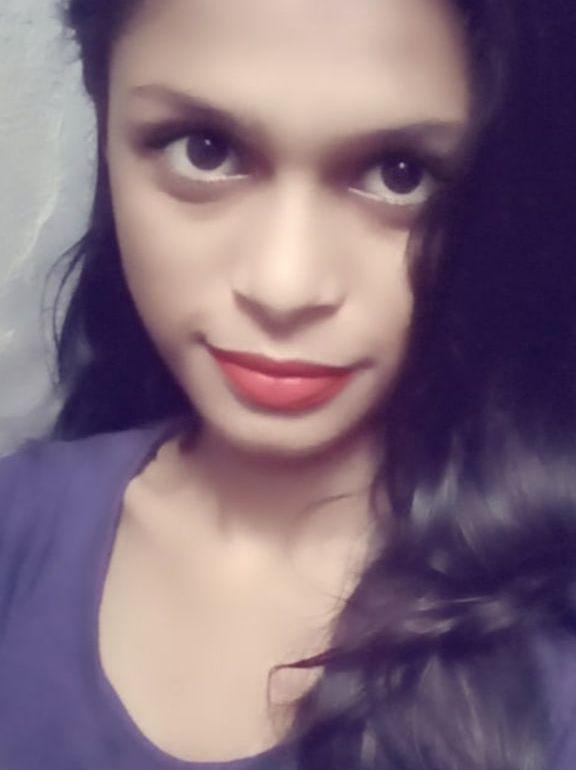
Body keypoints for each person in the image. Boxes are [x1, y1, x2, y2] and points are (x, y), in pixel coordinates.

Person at [1, 0, 575, 767]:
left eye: (400, 174)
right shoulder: (18, 525)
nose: (284, 286)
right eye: (205, 150)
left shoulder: (550, 638)